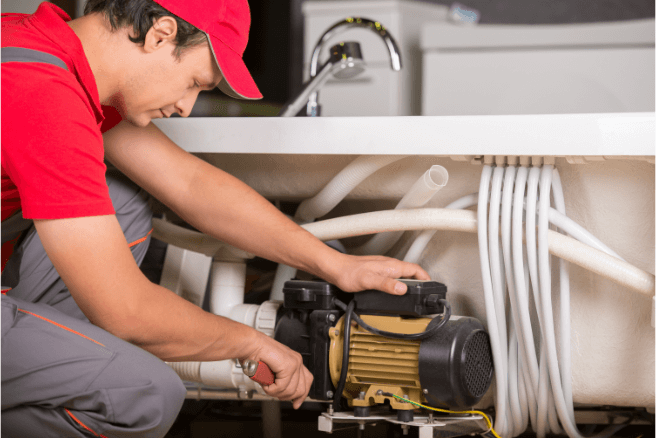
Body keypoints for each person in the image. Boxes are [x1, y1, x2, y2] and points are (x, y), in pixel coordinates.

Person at [1, 1, 431, 437]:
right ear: (160, 34)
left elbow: (188, 184)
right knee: (146, 394)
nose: (186, 107)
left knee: (122, 195)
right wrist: (251, 342)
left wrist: (336, 265)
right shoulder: (39, 88)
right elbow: (126, 310)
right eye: (194, 82)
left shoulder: (45, 53)